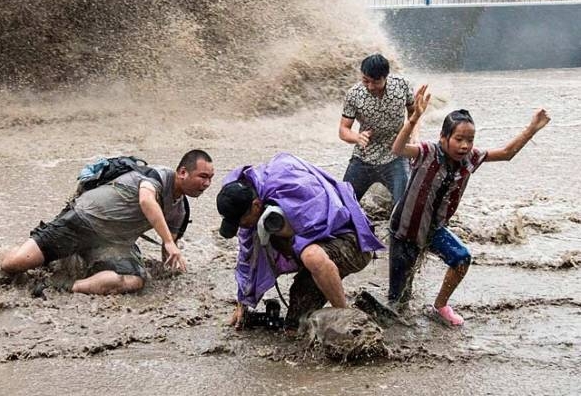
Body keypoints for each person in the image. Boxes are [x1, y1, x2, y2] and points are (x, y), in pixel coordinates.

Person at [388, 85, 551, 325]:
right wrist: (413, 119)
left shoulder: (471, 158)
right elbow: (398, 148)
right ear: (443, 138)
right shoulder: (427, 152)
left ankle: (440, 306)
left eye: (470, 140)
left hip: (434, 230)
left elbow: (506, 153)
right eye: (459, 139)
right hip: (405, 231)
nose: (465, 145)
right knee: (398, 301)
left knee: (461, 258)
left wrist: (531, 129)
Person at [1, 149, 214, 295]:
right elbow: (146, 200)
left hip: (111, 244)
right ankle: (2, 256)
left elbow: (170, 254)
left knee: (134, 280)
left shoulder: (181, 210)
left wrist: (174, 273)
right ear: (183, 172)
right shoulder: (158, 176)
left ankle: (65, 285)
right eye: (202, 176)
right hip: (81, 221)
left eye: (210, 178)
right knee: (13, 265)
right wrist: (167, 241)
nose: (206, 184)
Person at [216, 153, 385, 328]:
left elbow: (332, 217)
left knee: (311, 256)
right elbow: (247, 259)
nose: (242, 227)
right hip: (316, 256)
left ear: (256, 205)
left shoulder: (293, 186)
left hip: (351, 241)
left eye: (241, 221)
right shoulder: (250, 213)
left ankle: (348, 320)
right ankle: (366, 308)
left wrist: (291, 230)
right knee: (295, 327)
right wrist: (242, 304)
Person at [339, 53, 416, 206]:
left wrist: (413, 135)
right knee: (343, 204)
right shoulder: (354, 95)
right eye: (365, 81)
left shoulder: (402, 86)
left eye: (376, 82)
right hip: (364, 157)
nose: (370, 86)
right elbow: (343, 130)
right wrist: (357, 137)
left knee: (403, 208)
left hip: (396, 155)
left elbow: (414, 112)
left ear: (385, 77)